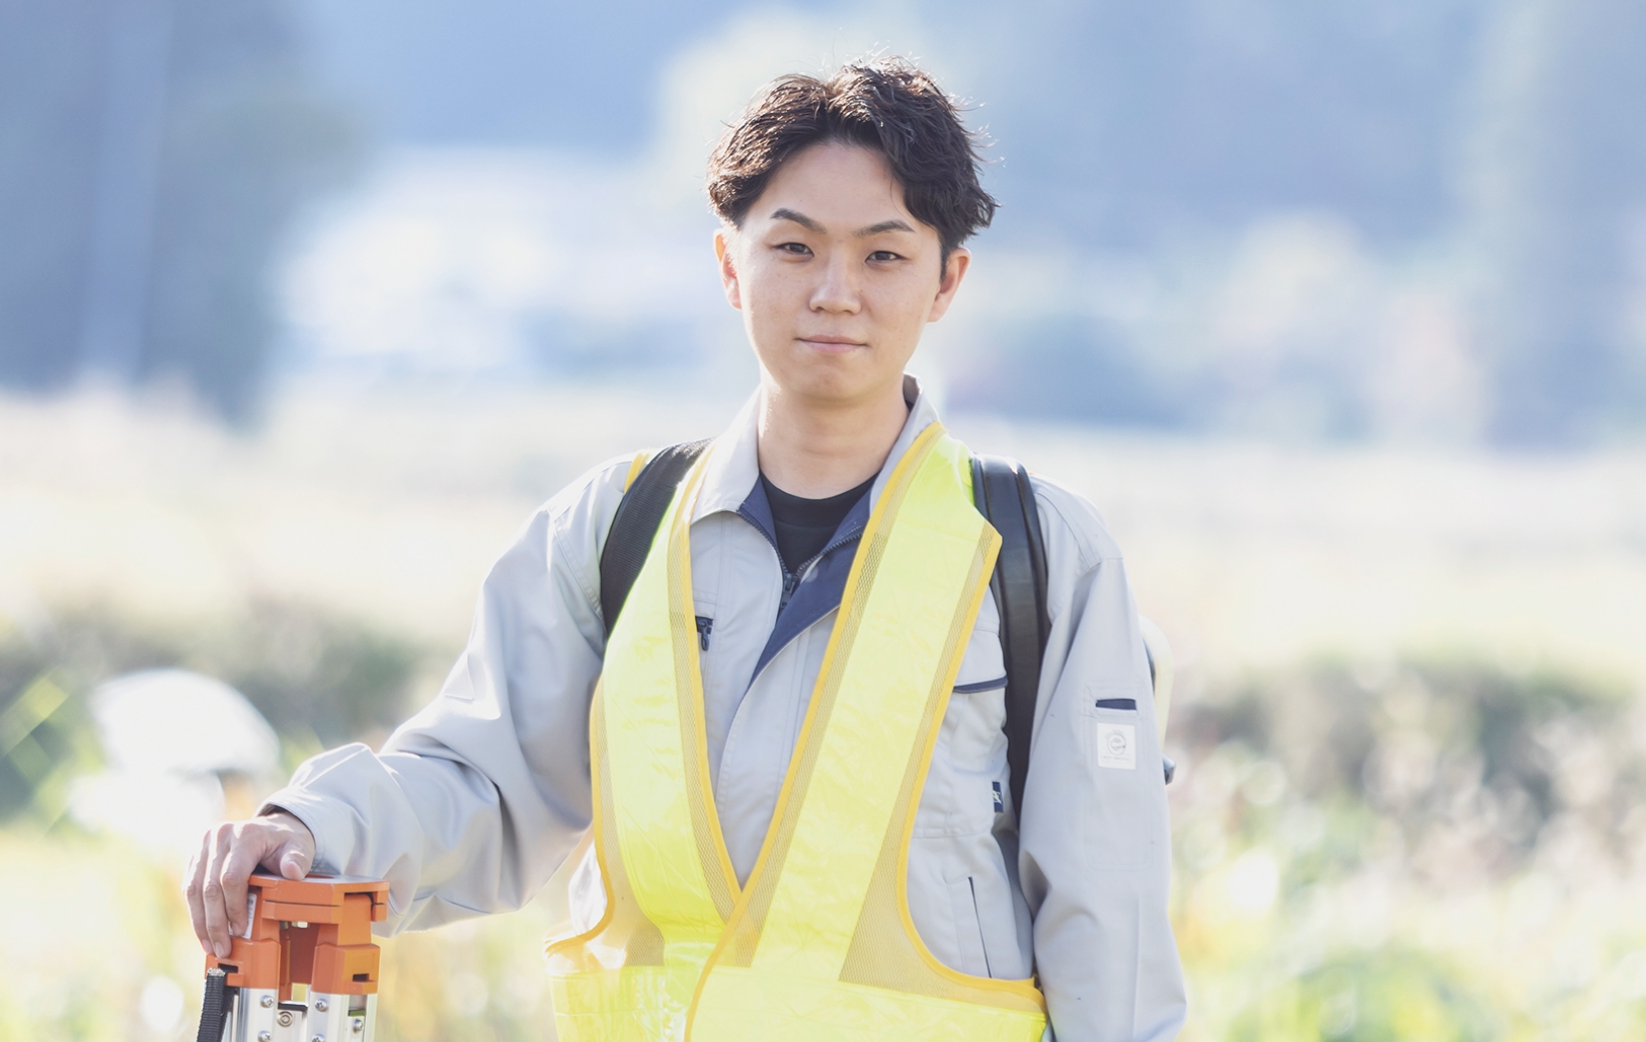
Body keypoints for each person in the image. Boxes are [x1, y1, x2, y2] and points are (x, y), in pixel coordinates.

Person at [186, 58, 1185, 1041]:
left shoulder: (1036, 556)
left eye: (882, 255)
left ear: (944, 282)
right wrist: (314, 827)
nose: (834, 291)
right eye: (793, 248)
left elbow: (1108, 915)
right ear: (727, 265)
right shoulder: (617, 529)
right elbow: (477, 778)